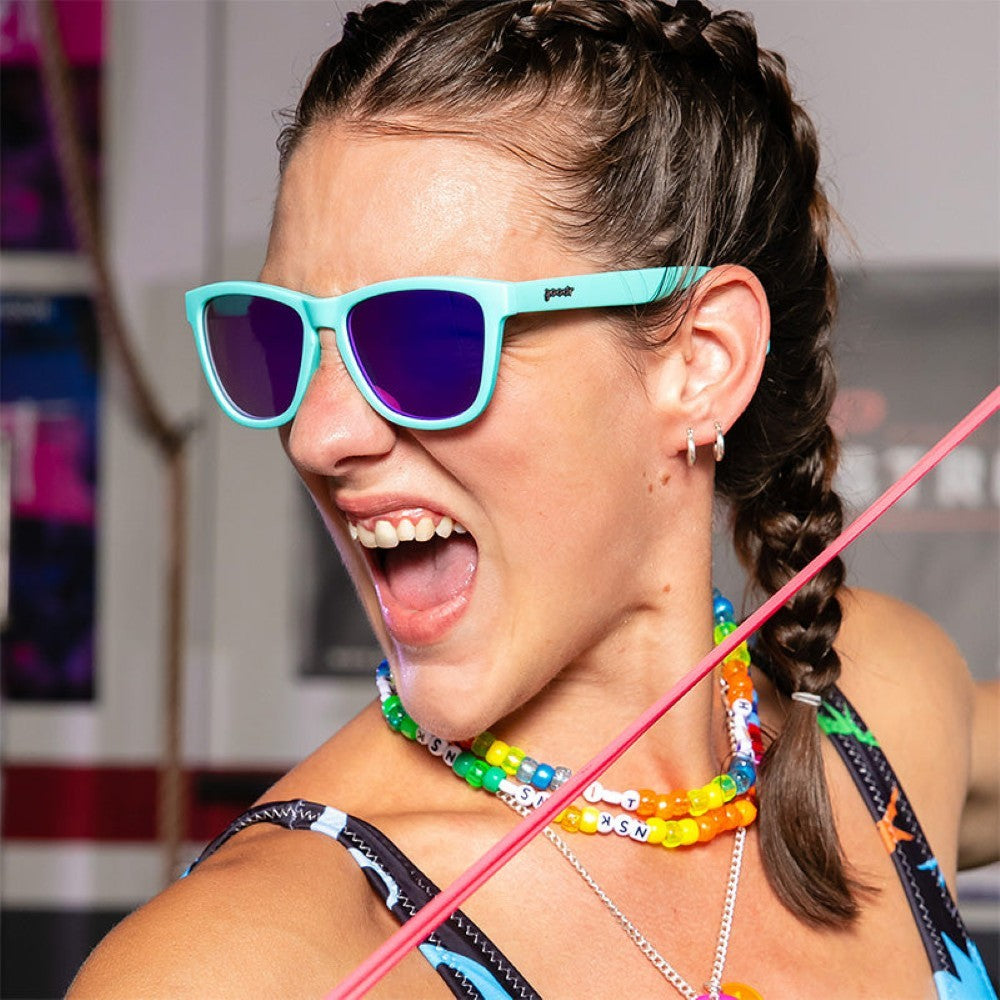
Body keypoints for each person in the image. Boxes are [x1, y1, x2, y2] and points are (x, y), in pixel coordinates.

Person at [71, 2, 997, 997]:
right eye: (277, 337)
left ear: (700, 362)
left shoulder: (872, 705)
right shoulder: (237, 966)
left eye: (423, 338)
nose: (316, 434)